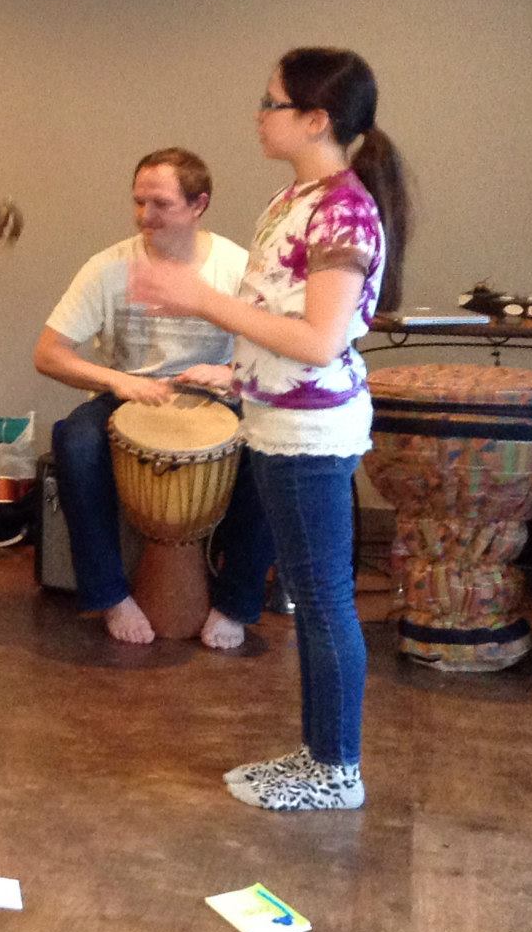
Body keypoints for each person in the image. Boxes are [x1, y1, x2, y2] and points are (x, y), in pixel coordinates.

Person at [131, 49, 411, 813]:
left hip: (310, 433)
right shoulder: (298, 198)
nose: (258, 112)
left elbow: (321, 340)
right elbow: (286, 321)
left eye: (272, 101)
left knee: (322, 600)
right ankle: (321, 751)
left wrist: (200, 300)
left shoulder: (343, 209)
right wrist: (238, 372)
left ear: (316, 119)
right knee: (317, 597)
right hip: (280, 416)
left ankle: (337, 769)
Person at [32, 148, 273, 648]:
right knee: (75, 440)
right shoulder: (108, 267)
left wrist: (228, 372)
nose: (145, 216)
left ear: (198, 204)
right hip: (131, 396)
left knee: (273, 448)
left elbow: (271, 353)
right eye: (139, 202)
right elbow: (49, 354)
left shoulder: (236, 267)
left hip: (217, 402)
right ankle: (109, 594)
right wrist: (116, 382)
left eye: (161, 204)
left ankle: (236, 602)